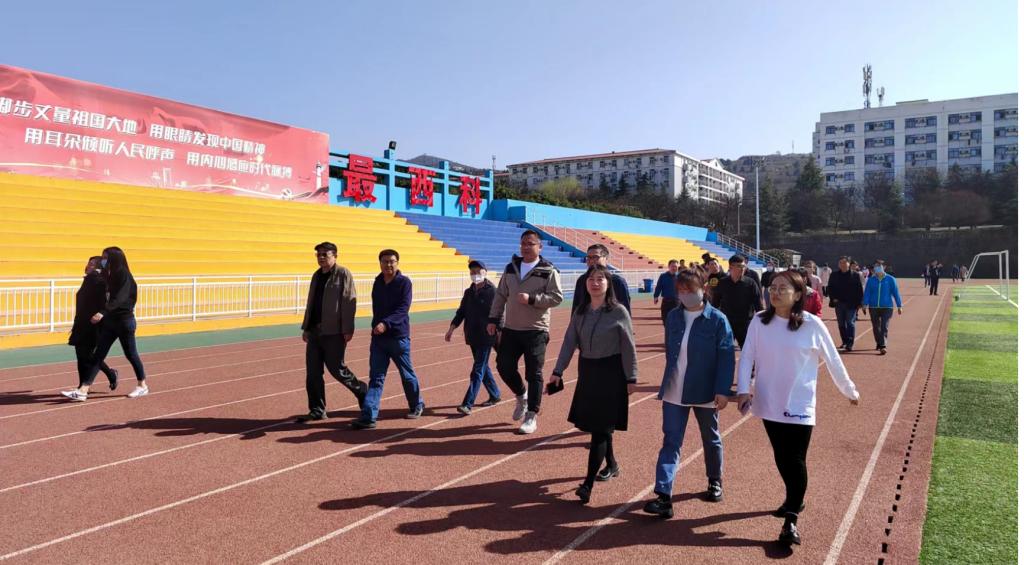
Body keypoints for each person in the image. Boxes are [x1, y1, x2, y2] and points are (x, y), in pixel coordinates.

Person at [735, 270, 861, 547]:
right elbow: (746, 357)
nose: (775, 292)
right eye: (773, 287)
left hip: (800, 403)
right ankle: (794, 498)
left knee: (795, 459)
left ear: (798, 294)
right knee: (781, 457)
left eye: (783, 288)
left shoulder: (812, 324)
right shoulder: (759, 321)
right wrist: (743, 389)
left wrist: (849, 390)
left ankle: (791, 518)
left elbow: (833, 359)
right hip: (768, 401)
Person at [643, 268, 735, 519]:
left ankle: (714, 480)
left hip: (705, 390)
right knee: (671, 441)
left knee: (710, 438)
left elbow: (726, 357)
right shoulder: (673, 316)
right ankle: (663, 495)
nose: (685, 294)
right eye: (681, 290)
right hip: (674, 390)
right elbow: (670, 350)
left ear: (703, 289)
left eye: (690, 290)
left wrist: (722, 390)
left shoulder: (718, 320)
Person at [550, 266, 636, 504]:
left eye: (600, 279)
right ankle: (612, 464)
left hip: (611, 373)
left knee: (600, 429)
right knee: (601, 427)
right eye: (591, 279)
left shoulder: (619, 311)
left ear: (608, 284)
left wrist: (631, 377)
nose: (595, 283)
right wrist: (558, 371)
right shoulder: (580, 311)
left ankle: (587, 484)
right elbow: (569, 342)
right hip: (587, 372)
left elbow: (629, 347)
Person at [488, 230, 564, 435]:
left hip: (536, 330)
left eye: (530, 243)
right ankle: (521, 395)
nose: (525, 247)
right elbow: (500, 295)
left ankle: (531, 415)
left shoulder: (548, 270)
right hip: (511, 328)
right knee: (503, 366)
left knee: (534, 373)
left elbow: (557, 297)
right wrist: (493, 319)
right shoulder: (511, 268)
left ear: (540, 247)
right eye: (523, 243)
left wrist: (532, 299)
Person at [62, 247, 147, 401]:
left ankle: (142, 385)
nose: (103, 260)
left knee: (131, 354)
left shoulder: (124, 275)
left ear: (114, 258)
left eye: (105, 257)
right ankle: (83, 390)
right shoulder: (110, 275)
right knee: (98, 355)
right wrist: (94, 273)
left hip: (124, 321)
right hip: (111, 322)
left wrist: (103, 312)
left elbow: (120, 298)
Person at [296, 242, 367, 423]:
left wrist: (348, 328)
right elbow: (311, 303)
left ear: (335, 255)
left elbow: (349, 301)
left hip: (334, 332)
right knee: (313, 373)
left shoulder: (343, 273)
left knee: (337, 370)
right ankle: (317, 410)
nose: (321, 257)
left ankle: (361, 390)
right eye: (318, 254)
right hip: (314, 331)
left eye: (324, 254)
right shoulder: (316, 275)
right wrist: (306, 327)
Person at [353, 250, 424, 429]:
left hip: (398, 338)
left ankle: (416, 404)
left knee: (407, 375)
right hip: (378, 339)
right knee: (376, 377)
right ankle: (369, 416)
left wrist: (386, 323)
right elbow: (376, 308)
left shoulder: (404, 283)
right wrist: (376, 326)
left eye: (392, 261)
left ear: (397, 263)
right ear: (380, 263)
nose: (388, 265)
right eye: (385, 261)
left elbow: (403, 309)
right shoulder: (377, 282)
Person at [446, 260, 502, 415]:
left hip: (487, 336)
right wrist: (452, 328)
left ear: (485, 272)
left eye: (478, 271)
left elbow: (499, 313)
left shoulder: (493, 292)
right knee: (483, 367)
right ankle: (495, 394)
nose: (475, 275)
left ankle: (467, 404)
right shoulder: (468, 292)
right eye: (472, 272)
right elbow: (461, 312)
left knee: (477, 370)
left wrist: (500, 332)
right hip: (472, 335)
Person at [68, 256, 118, 391]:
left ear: (98, 268)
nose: (88, 266)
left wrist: (101, 314)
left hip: (93, 323)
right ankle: (82, 386)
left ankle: (110, 374)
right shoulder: (88, 280)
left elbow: (106, 302)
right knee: (80, 355)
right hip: (81, 322)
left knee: (90, 355)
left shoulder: (98, 281)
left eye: (92, 264)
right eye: (88, 263)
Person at [710, 254, 763, 348]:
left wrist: (762, 321)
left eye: (743, 266)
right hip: (727, 323)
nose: (742, 269)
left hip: (745, 324)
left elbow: (758, 304)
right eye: (739, 266)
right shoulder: (722, 283)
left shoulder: (750, 283)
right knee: (724, 350)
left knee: (748, 350)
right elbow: (715, 304)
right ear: (730, 267)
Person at [571, 244, 631, 314]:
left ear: (606, 258)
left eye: (595, 257)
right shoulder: (581, 280)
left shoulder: (617, 281)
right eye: (589, 257)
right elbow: (576, 307)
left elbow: (625, 312)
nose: (591, 261)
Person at [862, 259, 903, 355]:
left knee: (884, 326)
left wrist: (899, 305)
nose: (877, 268)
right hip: (873, 307)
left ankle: (883, 345)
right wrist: (864, 304)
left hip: (887, 307)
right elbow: (867, 293)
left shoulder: (891, 279)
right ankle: (879, 342)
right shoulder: (871, 280)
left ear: (884, 267)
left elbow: (896, 293)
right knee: (876, 327)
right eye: (876, 266)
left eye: (879, 266)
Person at [825, 256, 863, 353]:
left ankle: (850, 343)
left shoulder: (855, 275)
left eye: (844, 262)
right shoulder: (834, 275)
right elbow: (830, 288)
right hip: (839, 303)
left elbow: (859, 289)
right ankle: (845, 341)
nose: (842, 264)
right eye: (840, 262)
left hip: (851, 303)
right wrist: (833, 298)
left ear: (849, 264)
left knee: (850, 322)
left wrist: (860, 302)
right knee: (841, 323)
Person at [653, 259, 680, 327]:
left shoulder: (680, 277)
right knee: (665, 321)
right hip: (666, 302)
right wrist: (656, 296)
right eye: (672, 266)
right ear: (668, 266)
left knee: (677, 321)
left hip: (677, 302)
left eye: (676, 266)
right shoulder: (663, 276)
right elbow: (659, 287)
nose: (674, 268)